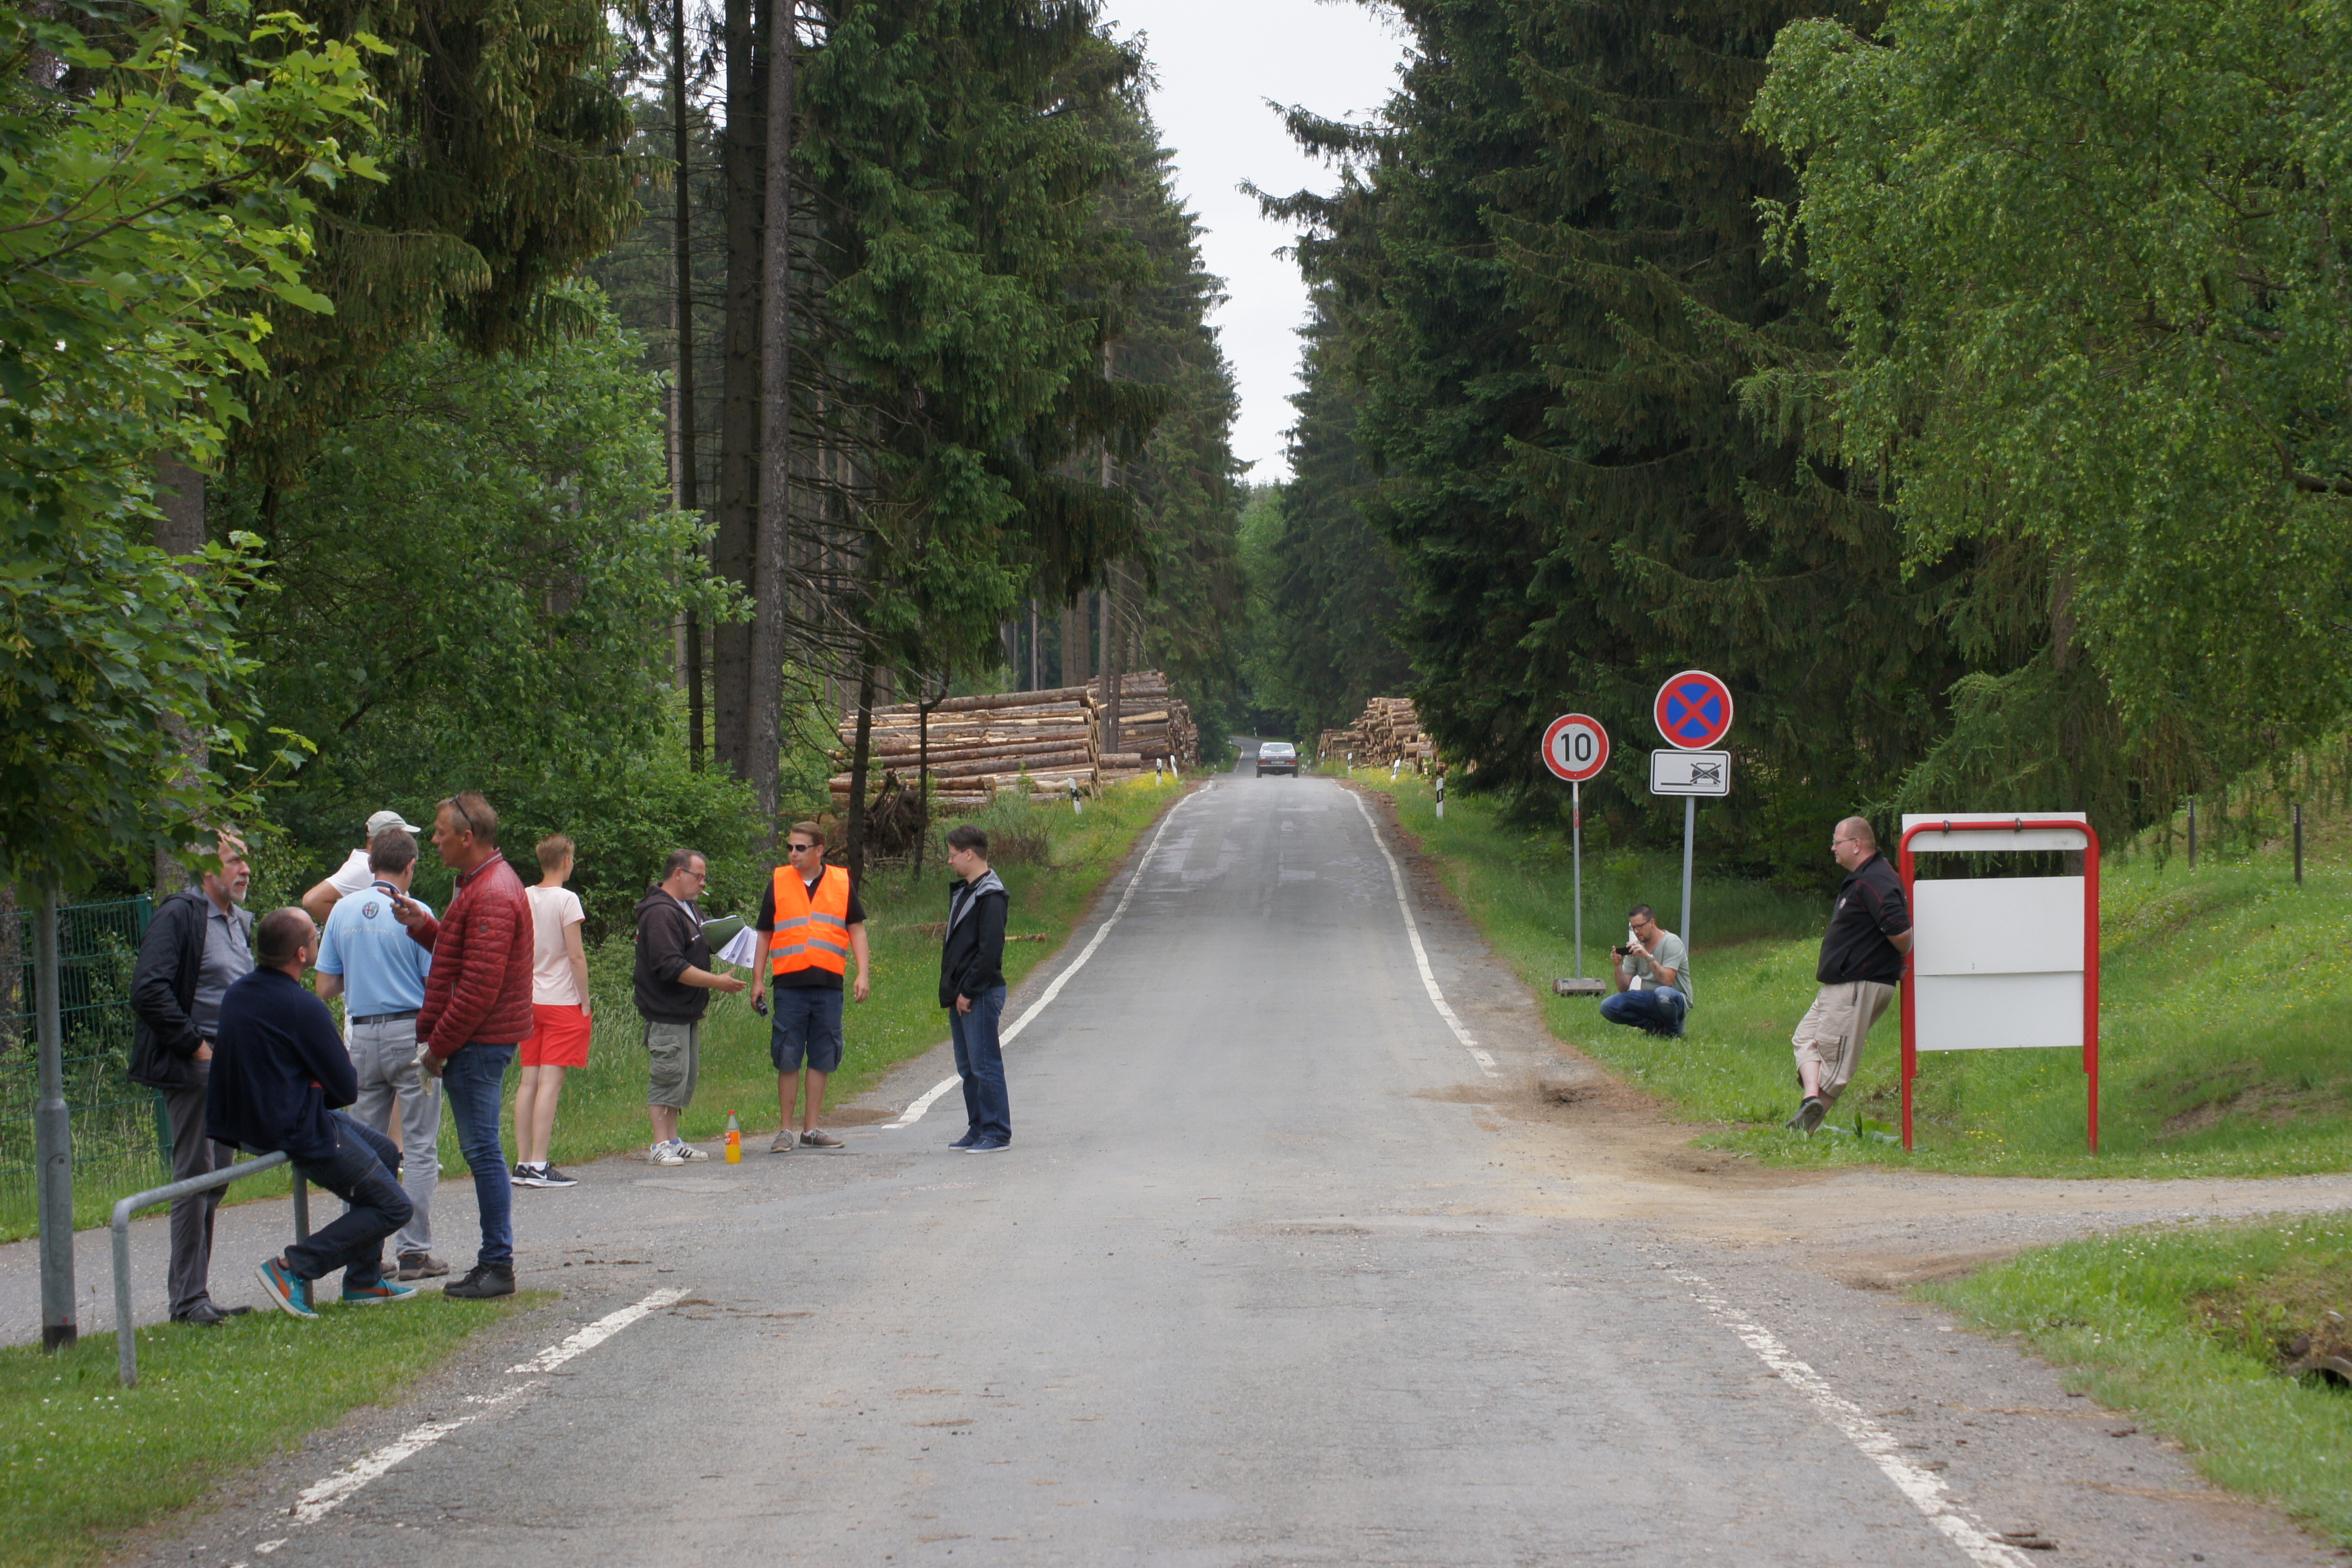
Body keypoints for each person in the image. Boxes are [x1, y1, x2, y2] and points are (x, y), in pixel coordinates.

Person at [209, 907, 417, 1319]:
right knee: (395, 1207)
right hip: (294, 1127)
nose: (318, 939)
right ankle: (292, 1267)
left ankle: (363, 1279)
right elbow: (345, 1088)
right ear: (302, 953)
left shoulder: (238, 993)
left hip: (254, 1122)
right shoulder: (302, 1007)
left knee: (388, 1153)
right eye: (315, 934)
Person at [386, 791, 533, 1299]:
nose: (433, 840)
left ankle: (497, 1264)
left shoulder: (490, 891)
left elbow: (477, 988)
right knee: (483, 1150)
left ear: (467, 837)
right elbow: (464, 952)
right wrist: (424, 926)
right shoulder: (480, 882)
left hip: (478, 1041)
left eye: (440, 832)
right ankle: (495, 1260)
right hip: (478, 1038)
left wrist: (436, 1050)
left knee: (483, 1151)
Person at [126, 830, 255, 1326]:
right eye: (233, 861)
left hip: (228, 1068)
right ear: (206, 869)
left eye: (246, 862)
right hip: (194, 1067)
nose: (244, 870)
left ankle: (195, 1294)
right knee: (195, 1176)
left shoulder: (238, 921)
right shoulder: (180, 913)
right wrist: (197, 1048)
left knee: (216, 1178)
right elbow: (149, 989)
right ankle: (186, 1300)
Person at [313, 827, 447, 1281]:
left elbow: (326, 984)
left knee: (363, 1150)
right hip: (410, 1031)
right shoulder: (418, 913)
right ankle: (414, 1249)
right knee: (420, 1143)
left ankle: (365, 1253)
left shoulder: (342, 913)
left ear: (370, 866)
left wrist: (364, 969)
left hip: (362, 1037)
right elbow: (437, 981)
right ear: (410, 866)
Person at [1787, 815, 1914, 1134]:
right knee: (1805, 1038)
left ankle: (1804, 1132)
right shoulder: (1864, 878)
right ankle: (1810, 1100)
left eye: (1837, 841)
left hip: (1856, 985)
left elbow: (1901, 933)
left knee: (1834, 1061)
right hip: (1840, 984)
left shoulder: (1877, 879)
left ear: (1856, 845)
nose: (1833, 848)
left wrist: (1889, 956)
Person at [749, 821, 870, 1154]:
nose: (793, 853)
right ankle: (785, 1130)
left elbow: (856, 930)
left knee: (823, 1054)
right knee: (787, 1054)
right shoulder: (778, 881)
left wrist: (863, 973)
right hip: (789, 983)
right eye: (790, 847)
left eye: (800, 848)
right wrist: (758, 980)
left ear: (819, 850)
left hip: (829, 984)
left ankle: (811, 1129)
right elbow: (764, 934)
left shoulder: (842, 882)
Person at [633, 849, 746, 1166]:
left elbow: (705, 939)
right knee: (667, 1074)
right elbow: (670, 965)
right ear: (678, 874)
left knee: (684, 1076)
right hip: (665, 1009)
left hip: (688, 1009)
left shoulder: (688, 908)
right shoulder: (659, 913)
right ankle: (659, 1144)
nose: (703, 883)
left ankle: (673, 1139)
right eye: (699, 876)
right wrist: (715, 981)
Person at [514, 833, 590, 1188]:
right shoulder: (567, 899)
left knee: (528, 1079)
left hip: (530, 999)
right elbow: (575, 955)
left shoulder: (525, 896)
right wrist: (585, 998)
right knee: (550, 1082)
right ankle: (541, 1164)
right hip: (561, 999)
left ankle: (523, 1161)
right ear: (565, 861)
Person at [938, 824, 1011, 1152]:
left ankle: (997, 1131)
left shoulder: (991, 895)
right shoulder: (966, 891)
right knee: (967, 1067)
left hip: (980, 992)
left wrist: (968, 989)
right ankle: (978, 1126)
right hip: (961, 992)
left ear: (969, 854)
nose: (950, 861)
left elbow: (990, 951)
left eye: (953, 855)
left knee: (984, 1064)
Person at [300, 808, 425, 925]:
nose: (405, 840)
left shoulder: (377, 863)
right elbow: (312, 900)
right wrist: (349, 930)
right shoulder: (362, 866)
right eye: (400, 835)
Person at [1598, 904, 1693, 1038]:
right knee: (1608, 1006)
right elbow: (1623, 987)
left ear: (1652, 922)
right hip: (1648, 998)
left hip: (1675, 998)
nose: (1636, 931)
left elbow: (1667, 980)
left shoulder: (1671, 943)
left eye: (1640, 926)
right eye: (1633, 927)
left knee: (1662, 994)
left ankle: (1673, 1032)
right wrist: (1617, 965)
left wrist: (1647, 957)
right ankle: (1654, 1027)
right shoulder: (1635, 948)